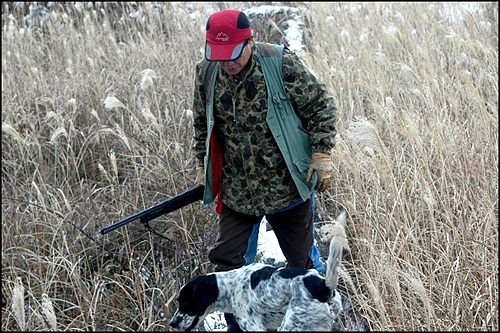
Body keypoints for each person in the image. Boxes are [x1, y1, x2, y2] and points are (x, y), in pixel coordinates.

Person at [192, 9, 336, 331]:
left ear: (250, 41)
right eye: (218, 55)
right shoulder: (207, 73)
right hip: (237, 194)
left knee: (303, 267)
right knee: (228, 268)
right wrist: (205, 168)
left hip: (287, 188)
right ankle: (239, 325)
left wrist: (321, 152)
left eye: (232, 55)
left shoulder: (279, 64)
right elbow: (202, 125)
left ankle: (320, 317)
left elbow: (321, 105)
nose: (226, 63)